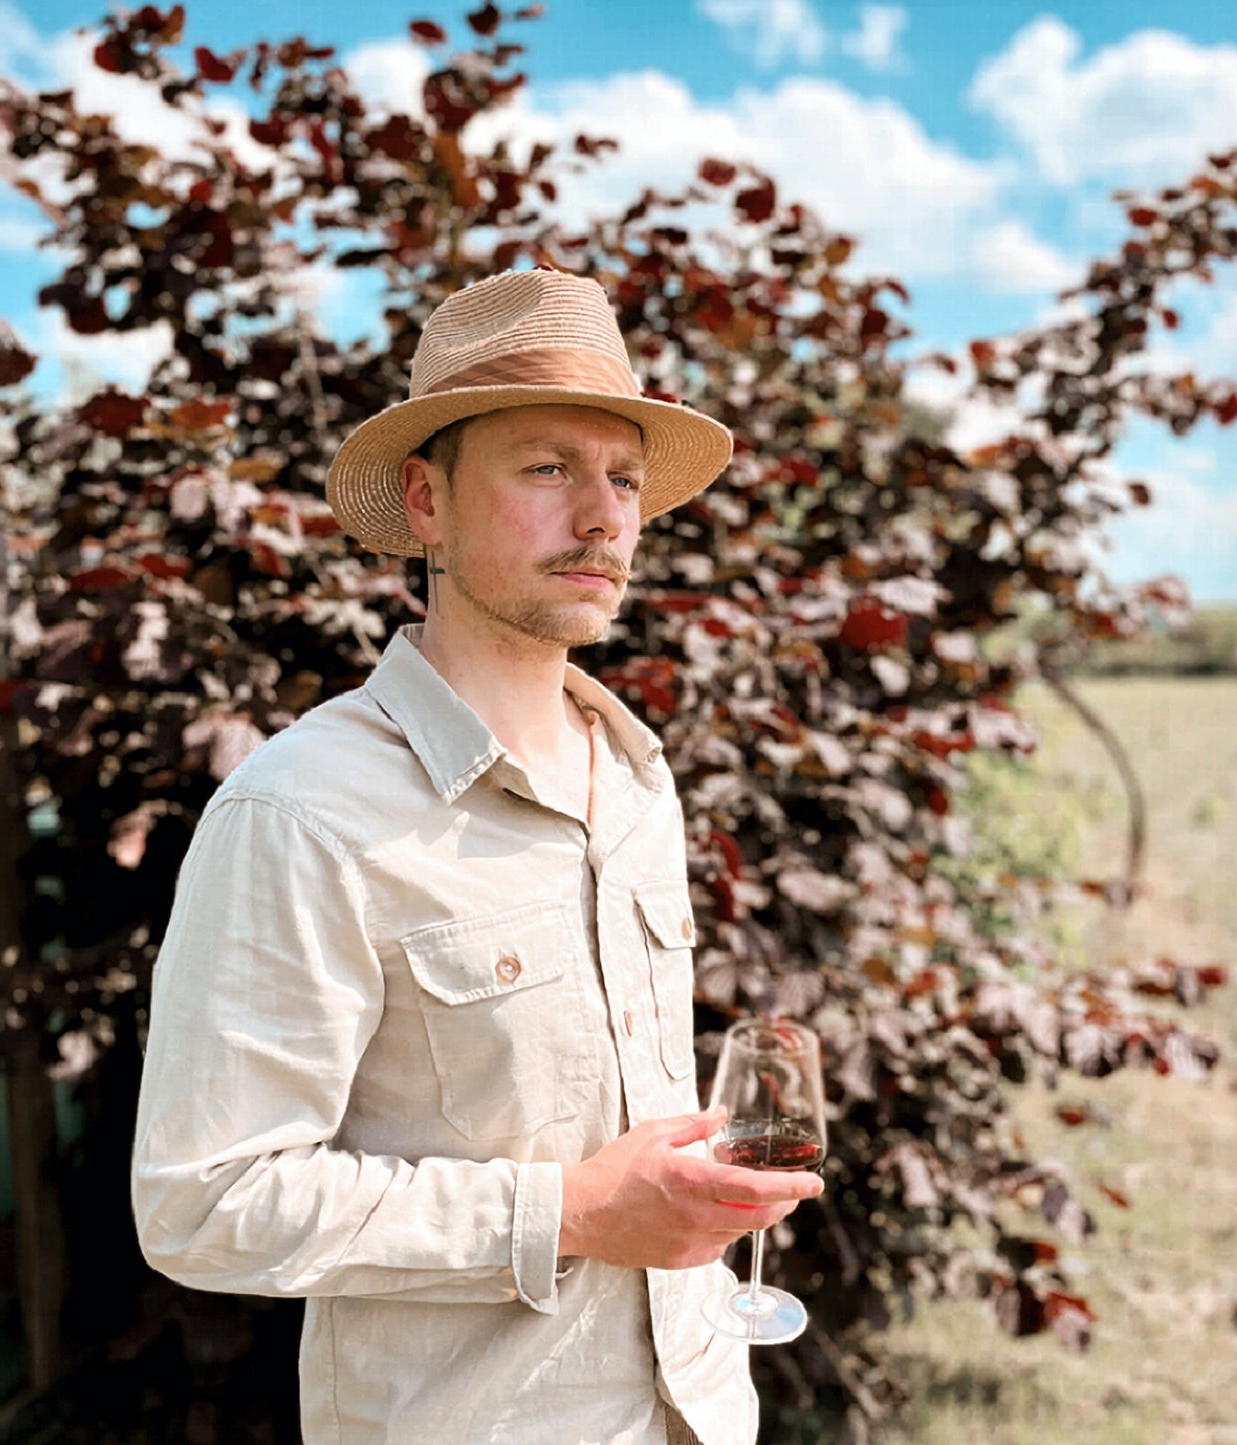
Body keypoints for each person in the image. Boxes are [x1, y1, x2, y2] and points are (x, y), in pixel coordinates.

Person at [131, 268, 824, 1445]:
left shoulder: (635, 776)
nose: (601, 517)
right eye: (547, 468)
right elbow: (204, 1199)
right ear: (426, 500)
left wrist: (692, 1187)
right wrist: (569, 1212)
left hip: (698, 1413)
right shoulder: (302, 811)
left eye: (622, 478)